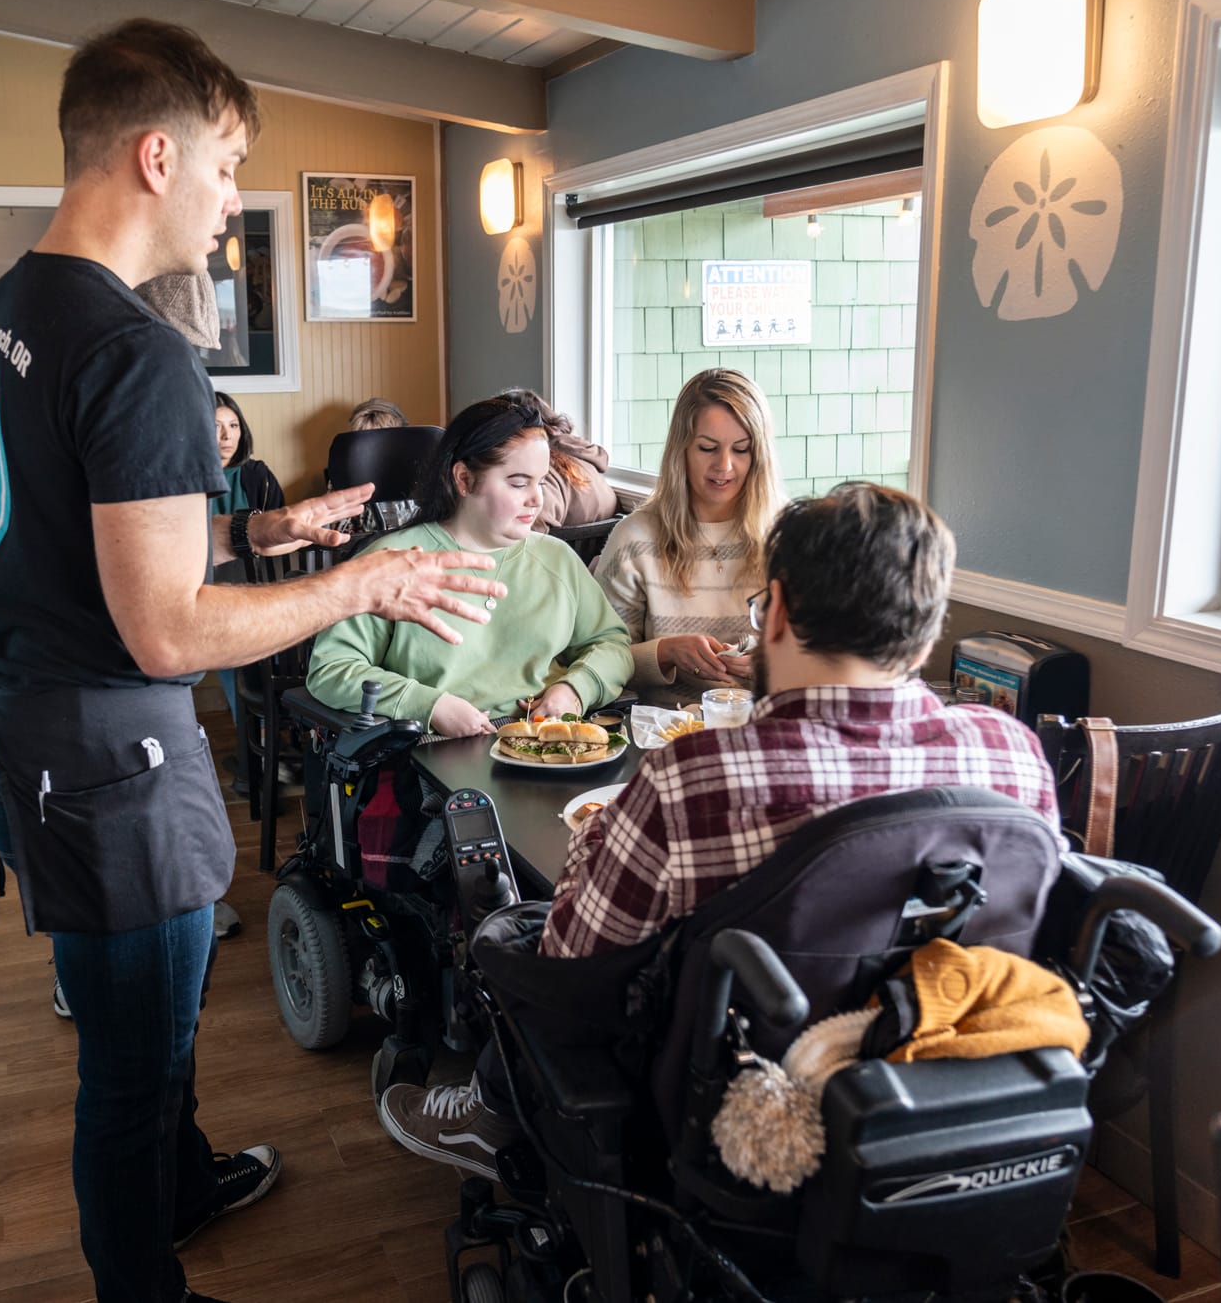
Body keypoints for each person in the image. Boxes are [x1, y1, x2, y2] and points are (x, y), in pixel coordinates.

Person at [0, 19, 504, 1303]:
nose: (232, 197)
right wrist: (359, 576)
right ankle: (146, 1284)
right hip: (108, 761)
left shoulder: (1, 320)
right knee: (130, 1064)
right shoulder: (137, 351)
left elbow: (65, 532)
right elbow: (167, 629)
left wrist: (257, 528)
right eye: (230, 161)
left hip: (24, 729)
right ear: (155, 155)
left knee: (156, 1033)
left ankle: (182, 1188)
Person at [376, 482, 1063, 1178]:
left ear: (778, 613)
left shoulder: (695, 780)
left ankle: (488, 1119)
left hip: (730, 1109)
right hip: (944, 1090)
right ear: (927, 626)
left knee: (518, 937)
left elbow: (572, 966)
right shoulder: (1013, 755)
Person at [306, 390, 633, 735]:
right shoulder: (391, 562)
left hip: (543, 741)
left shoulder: (557, 558)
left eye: (541, 481)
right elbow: (331, 669)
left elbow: (613, 645)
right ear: (463, 479)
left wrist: (574, 690)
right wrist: (428, 705)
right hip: (434, 748)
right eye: (518, 483)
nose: (536, 499)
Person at [593, 368, 783, 702]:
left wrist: (774, 665)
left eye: (741, 450)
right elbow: (596, 658)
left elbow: (825, 653)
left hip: (766, 727)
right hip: (666, 729)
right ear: (681, 450)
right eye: (708, 448)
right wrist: (664, 653)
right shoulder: (635, 539)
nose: (724, 466)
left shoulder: (787, 534)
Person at [207, 391, 282, 738]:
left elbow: (278, 538)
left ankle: (266, 739)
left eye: (233, 425)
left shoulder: (256, 475)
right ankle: (257, 741)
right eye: (216, 426)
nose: (227, 436)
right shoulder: (187, 478)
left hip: (260, 586)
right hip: (208, 590)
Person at [532, 401, 617, 531]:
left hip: (558, 549)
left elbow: (534, 534)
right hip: (601, 549)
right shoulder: (588, 461)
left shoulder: (542, 471)